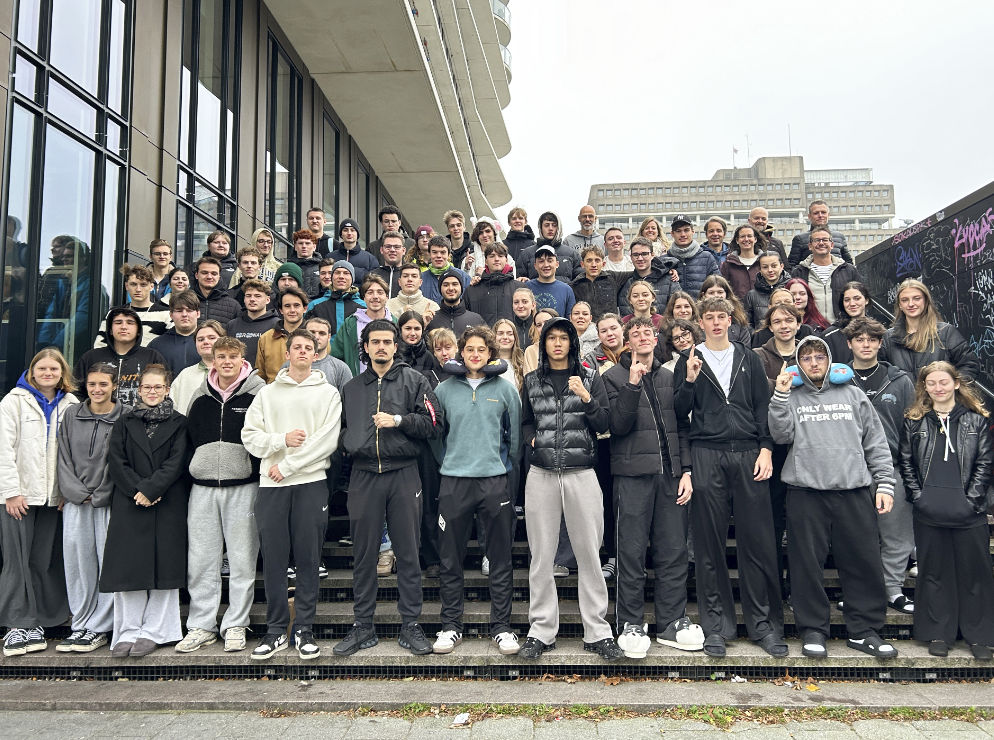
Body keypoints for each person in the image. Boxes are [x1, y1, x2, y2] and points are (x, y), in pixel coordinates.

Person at [769, 337, 899, 659]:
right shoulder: (792, 396)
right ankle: (813, 629)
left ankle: (864, 630)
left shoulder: (854, 395)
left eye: (819, 356)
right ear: (799, 363)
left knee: (862, 562)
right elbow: (780, 434)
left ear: (830, 361)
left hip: (853, 490)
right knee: (806, 566)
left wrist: (884, 484)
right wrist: (781, 394)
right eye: (807, 357)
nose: (814, 362)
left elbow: (876, 443)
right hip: (805, 493)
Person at [674, 298, 786, 659]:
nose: (717, 322)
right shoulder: (689, 359)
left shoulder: (749, 357)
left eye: (722, 316)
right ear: (701, 322)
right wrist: (689, 380)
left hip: (749, 452)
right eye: (710, 317)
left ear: (731, 320)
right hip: (707, 453)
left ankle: (764, 625)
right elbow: (680, 412)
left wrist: (766, 448)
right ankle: (717, 627)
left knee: (758, 542)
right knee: (709, 545)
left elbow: (761, 406)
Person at [334, 320, 443, 657]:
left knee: (408, 553)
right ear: (364, 347)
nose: (381, 347)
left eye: (387, 341)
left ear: (396, 346)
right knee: (364, 554)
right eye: (374, 341)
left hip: (403, 474)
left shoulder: (415, 380)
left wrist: (399, 421)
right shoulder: (352, 388)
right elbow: (340, 430)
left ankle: (410, 625)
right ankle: (362, 626)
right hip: (364, 475)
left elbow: (433, 424)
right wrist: (349, 443)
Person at [517, 318, 623, 662]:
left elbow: (605, 422)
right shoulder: (532, 380)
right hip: (542, 472)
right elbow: (524, 420)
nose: (558, 343)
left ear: (572, 344)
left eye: (564, 338)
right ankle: (541, 630)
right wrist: (531, 438)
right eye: (552, 338)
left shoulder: (591, 378)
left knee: (590, 554)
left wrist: (587, 397)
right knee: (541, 556)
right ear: (544, 344)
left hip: (582, 473)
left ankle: (597, 630)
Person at [603, 318, 702, 658]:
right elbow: (616, 425)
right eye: (636, 333)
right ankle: (630, 623)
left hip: (671, 476)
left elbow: (683, 428)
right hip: (632, 477)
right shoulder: (613, 377)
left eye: (648, 332)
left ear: (656, 338)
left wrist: (686, 471)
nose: (643, 337)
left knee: (673, 551)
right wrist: (631, 385)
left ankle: (672, 622)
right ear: (627, 342)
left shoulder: (668, 376)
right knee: (630, 552)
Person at [432, 327, 521, 655]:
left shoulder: (505, 389)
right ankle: (451, 625)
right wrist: (449, 462)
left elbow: (514, 440)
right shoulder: (443, 390)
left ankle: (501, 627)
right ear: (461, 352)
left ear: (490, 353)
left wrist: (500, 466)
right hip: (454, 482)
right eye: (469, 349)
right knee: (450, 557)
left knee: (499, 557)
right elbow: (435, 435)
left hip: (493, 481)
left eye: (481, 349)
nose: (474, 355)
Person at [899, 361, 994, 660]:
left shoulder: (976, 421)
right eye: (932, 383)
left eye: (944, 382)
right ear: (924, 388)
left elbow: (985, 464)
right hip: (929, 512)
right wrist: (918, 497)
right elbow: (906, 463)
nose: (938, 388)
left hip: (968, 512)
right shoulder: (915, 421)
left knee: (974, 573)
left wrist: (972, 501)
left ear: (955, 383)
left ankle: (978, 636)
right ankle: (938, 632)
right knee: (934, 573)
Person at [176, 337, 265, 654]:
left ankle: (236, 623)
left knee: (242, 559)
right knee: (201, 561)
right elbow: (189, 440)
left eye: (233, 356)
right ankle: (201, 625)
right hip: (202, 489)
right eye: (221, 356)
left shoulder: (257, 394)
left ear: (243, 360)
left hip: (242, 487)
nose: (226, 361)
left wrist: (252, 473)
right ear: (212, 360)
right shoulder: (199, 398)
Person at [100, 363, 189, 658]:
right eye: (147, 387)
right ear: (139, 390)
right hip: (130, 500)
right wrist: (138, 491)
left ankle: (156, 630)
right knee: (129, 568)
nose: (152, 392)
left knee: (164, 568)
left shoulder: (180, 422)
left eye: (158, 387)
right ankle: (127, 631)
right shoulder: (125, 422)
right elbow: (116, 460)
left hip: (167, 501)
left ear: (167, 389)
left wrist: (151, 490)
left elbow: (176, 462)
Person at [0, 349, 78, 657]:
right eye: (42, 368)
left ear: (62, 373)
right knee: (16, 561)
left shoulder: (72, 404)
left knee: (44, 560)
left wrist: (64, 491)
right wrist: (10, 491)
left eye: (54, 369)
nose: (48, 373)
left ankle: (42, 621)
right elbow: (3, 449)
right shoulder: (13, 402)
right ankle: (18, 623)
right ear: (32, 371)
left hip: (53, 498)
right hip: (19, 497)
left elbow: (71, 454)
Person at [845, 317, 917, 615]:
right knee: (855, 538)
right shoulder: (837, 378)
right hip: (849, 472)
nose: (866, 344)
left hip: (891, 469)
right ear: (849, 344)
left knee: (897, 535)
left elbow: (912, 427)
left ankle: (893, 590)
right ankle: (861, 593)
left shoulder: (899, 380)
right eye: (859, 339)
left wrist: (907, 468)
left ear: (879, 343)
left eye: (872, 340)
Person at [55, 363, 125, 653]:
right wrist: (76, 492)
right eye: (93, 384)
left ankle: (100, 627)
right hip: (76, 503)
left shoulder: (124, 416)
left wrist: (100, 493)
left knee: (106, 564)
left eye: (103, 385)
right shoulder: (72, 414)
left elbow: (120, 462)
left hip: (106, 503)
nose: (97, 390)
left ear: (114, 386)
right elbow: (63, 457)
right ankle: (81, 623)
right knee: (78, 565)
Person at [880, 279, 981, 382]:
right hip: (904, 398)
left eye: (917, 298)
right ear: (900, 305)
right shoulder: (888, 338)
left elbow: (970, 365)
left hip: (938, 397)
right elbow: (880, 372)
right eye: (905, 300)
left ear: (926, 300)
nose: (911, 304)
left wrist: (950, 387)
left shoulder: (945, 332)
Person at [75, 307, 167, 407]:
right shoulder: (91, 357)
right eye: (118, 322)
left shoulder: (152, 357)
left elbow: (164, 391)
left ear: (139, 330)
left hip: (141, 419)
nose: (123, 327)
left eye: (130, 323)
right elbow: (76, 390)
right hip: (99, 419)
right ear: (110, 330)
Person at [789, 227, 861, 323]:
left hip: (842, 327)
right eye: (817, 240)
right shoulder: (799, 272)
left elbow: (860, 297)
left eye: (825, 240)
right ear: (810, 246)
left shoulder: (848, 270)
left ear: (832, 245)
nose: (821, 243)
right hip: (810, 327)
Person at [331, 275, 396, 376]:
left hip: (390, 384)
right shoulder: (351, 324)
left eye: (380, 292)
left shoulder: (395, 323)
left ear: (387, 297)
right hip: (358, 384)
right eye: (370, 292)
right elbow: (336, 356)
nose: (375, 296)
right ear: (364, 298)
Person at [96, 264, 170, 346]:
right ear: (126, 286)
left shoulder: (167, 314)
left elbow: (172, 347)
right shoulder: (113, 313)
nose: (138, 289)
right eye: (133, 284)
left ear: (151, 286)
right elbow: (100, 346)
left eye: (143, 285)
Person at [169, 320, 224, 414]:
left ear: (223, 340)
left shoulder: (234, 372)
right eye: (200, 339)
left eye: (211, 338)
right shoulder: (185, 375)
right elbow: (172, 407)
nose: (206, 342)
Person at [255, 287, 308, 383]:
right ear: (281, 310)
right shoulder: (266, 338)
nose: (292, 310)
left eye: (296, 305)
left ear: (305, 308)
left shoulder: (315, 337)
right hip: (274, 394)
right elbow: (260, 375)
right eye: (287, 306)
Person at [616, 237, 681, 315]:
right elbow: (626, 316)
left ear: (652, 255)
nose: (640, 258)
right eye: (635, 255)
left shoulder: (670, 280)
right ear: (631, 257)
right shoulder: (626, 284)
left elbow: (678, 310)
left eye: (644, 254)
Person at [788, 200, 854, 269]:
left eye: (823, 212)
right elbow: (791, 266)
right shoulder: (800, 239)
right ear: (809, 216)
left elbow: (849, 264)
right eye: (816, 213)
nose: (820, 215)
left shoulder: (840, 237)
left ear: (828, 215)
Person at [225, 278, 279, 364]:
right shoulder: (232, 325)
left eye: (258, 296)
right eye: (248, 296)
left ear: (268, 300)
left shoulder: (277, 324)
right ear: (244, 299)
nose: (252, 299)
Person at [308, 260, 366, 337]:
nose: (341, 276)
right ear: (332, 278)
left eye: (346, 273)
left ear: (352, 278)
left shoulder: (364, 307)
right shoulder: (314, 305)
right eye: (337, 273)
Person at [149, 290, 201, 375]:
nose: (184, 314)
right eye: (179, 310)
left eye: (189, 310)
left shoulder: (210, 343)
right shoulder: (156, 346)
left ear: (198, 313)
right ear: (171, 315)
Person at [517, 211, 580, 281]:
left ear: (559, 228)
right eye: (546, 225)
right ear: (540, 228)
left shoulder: (572, 254)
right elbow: (519, 282)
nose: (550, 228)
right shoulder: (527, 254)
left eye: (554, 225)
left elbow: (580, 282)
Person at [821, 281, 871, 365]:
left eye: (857, 298)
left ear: (866, 300)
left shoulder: (877, 331)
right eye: (847, 300)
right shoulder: (829, 336)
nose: (852, 304)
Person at [465, 243, 516, 325]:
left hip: (509, 336)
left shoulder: (518, 288)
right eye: (492, 256)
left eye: (500, 256)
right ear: (486, 261)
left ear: (506, 260)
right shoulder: (472, 290)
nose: (496, 259)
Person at [667, 215, 719, 296]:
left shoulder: (707, 258)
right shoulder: (665, 260)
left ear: (693, 232)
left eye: (686, 230)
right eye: (678, 231)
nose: (683, 234)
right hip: (674, 308)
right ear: (672, 234)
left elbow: (718, 286)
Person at [697, 276, 752, 345]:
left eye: (720, 292)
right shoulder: (696, 322)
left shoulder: (738, 320)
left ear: (727, 294)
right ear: (703, 295)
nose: (716, 296)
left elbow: (745, 350)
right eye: (711, 293)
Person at [189, 256, 242, 326]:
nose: (209, 277)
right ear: (196, 275)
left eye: (214, 274)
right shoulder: (186, 302)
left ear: (219, 277)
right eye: (204, 273)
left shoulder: (233, 306)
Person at [743, 251, 790, 329]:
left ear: (781, 266)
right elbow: (747, 324)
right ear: (760, 270)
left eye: (774, 266)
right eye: (765, 267)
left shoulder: (791, 289)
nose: (770, 270)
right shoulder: (751, 295)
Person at [525, 245, 576, 317]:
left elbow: (571, 319)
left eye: (550, 260)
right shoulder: (526, 287)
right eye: (541, 261)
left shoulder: (567, 290)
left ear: (557, 264)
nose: (546, 265)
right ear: (535, 266)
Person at [571, 245, 619, 320]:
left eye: (597, 260)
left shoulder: (613, 278)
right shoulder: (574, 285)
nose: (593, 265)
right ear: (582, 264)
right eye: (589, 260)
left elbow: (638, 272)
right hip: (586, 328)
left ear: (603, 264)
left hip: (609, 327)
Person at [720, 224, 767, 300]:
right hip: (737, 309)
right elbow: (723, 288)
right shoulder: (728, 264)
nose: (746, 239)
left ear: (755, 239)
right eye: (742, 236)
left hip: (762, 308)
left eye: (749, 236)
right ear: (737, 240)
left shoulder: (764, 261)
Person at [420, 236, 470, 305]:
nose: (439, 256)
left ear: (449, 254)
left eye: (443, 252)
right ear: (429, 254)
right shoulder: (420, 279)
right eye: (434, 252)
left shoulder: (463, 277)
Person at [328, 218, 378, 284]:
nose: (349, 233)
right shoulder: (330, 257)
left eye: (352, 230)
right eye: (345, 230)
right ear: (341, 234)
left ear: (357, 234)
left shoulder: (370, 259)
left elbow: (374, 282)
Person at [288, 229, 324, 299]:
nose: (304, 246)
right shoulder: (289, 268)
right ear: (295, 246)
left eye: (307, 243)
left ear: (314, 246)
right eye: (300, 243)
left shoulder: (323, 267)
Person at [371, 230, 408, 298]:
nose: (392, 250)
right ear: (381, 250)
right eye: (388, 247)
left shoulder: (409, 276)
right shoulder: (372, 276)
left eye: (397, 247)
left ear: (403, 251)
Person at [493, 317, 525, 389]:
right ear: (494, 337)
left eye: (509, 334)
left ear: (515, 338)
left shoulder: (523, 364)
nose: (505, 337)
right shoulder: (487, 364)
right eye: (500, 333)